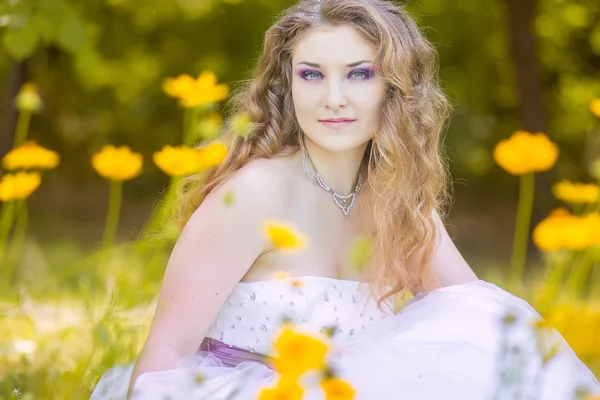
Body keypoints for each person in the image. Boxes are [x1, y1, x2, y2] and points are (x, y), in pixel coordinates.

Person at [90, 0, 600, 399]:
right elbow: (167, 347)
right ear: (287, 86)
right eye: (312, 74)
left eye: (359, 73)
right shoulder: (254, 193)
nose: (334, 97)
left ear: (396, 88)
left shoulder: (398, 199)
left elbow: (479, 318)